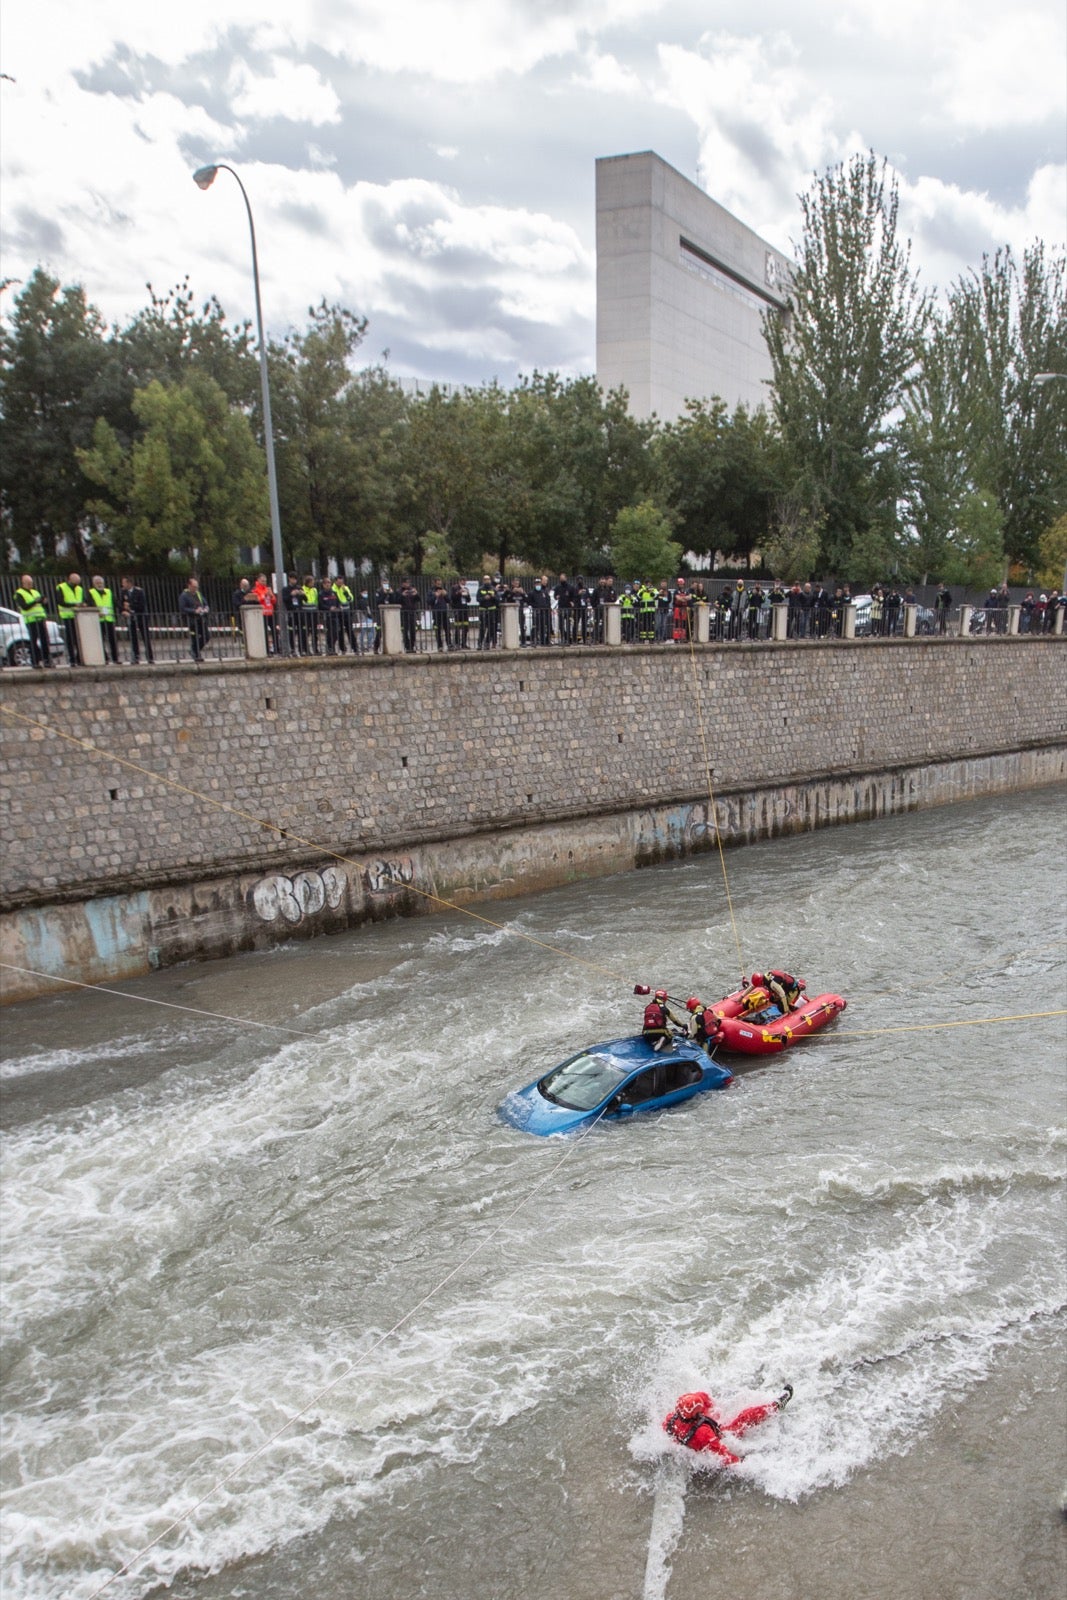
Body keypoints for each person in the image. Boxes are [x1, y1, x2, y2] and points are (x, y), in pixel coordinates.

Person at [664, 1385, 793, 1466]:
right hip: (716, 1436)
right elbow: (725, 1457)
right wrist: (744, 1462)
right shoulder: (704, 1433)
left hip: (694, 1441)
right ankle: (776, 1405)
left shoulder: (670, 1420)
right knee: (744, 1418)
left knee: (704, 1398)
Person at [13, 574, 52, 667]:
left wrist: (44, 602)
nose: (31, 584)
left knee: (44, 640)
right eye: (29, 583)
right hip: (30, 620)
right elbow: (24, 607)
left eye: (31, 583)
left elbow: (43, 606)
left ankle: (47, 660)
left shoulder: (35, 592)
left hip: (40, 618)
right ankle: (35, 662)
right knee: (33, 641)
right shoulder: (19, 593)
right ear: (23, 583)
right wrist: (36, 601)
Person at [120, 576, 154, 663]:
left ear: (129, 583)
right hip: (130, 618)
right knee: (133, 638)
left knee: (145, 637)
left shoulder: (139, 591)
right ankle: (135, 657)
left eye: (124, 582)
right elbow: (121, 604)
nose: (122, 584)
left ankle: (150, 657)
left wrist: (131, 607)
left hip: (141, 617)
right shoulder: (123, 592)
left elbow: (142, 605)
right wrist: (123, 611)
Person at [56, 571, 85, 665]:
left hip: (79, 616)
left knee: (79, 638)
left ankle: (79, 658)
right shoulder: (61, 587)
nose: (76, 585)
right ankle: (72, 658)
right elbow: (60, 601)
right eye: (74, 583)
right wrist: (74, 605)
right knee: (70, 639)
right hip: (67, 615)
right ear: (69, 580)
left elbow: (83, 599)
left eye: (77, 583)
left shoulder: (79, 589)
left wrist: (83, 604)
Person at [178, 577, 210, 662]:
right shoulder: (184, 596)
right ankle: (196, 654)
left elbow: (205, 602)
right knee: (195, 637)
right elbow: (183, 608)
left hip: (201, 619)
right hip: (191, 620)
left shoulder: (198, 594)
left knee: (206, 636)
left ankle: (195, 651)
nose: (196, 589)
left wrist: (206, 608)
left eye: (197, 587)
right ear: (189, 586)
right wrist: (194, 611)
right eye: (194, 587)